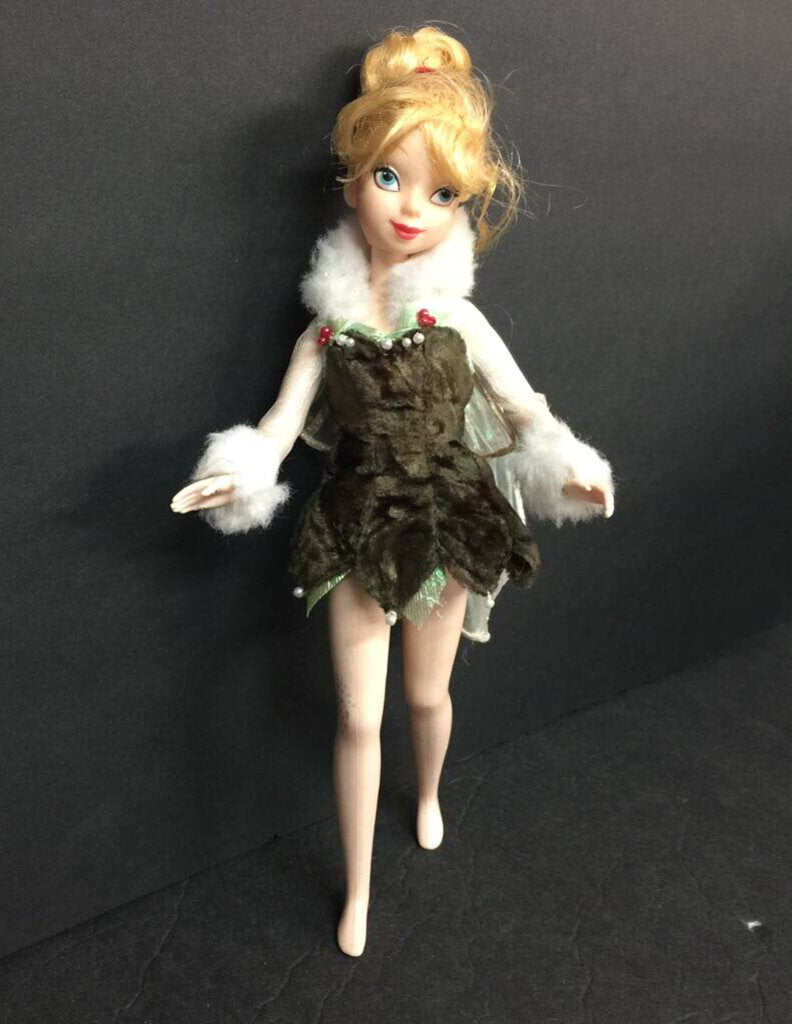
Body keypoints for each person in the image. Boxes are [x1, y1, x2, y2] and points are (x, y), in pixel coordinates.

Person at [170, 25, 615, 957]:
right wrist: (235, 477)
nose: (413, 208)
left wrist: (568, 465)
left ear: (465, 206)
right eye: (389, 178)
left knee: (425, 698)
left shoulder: (459, 321)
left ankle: (433, 792)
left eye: (443, 193)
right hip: (353, 521)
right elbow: (278, 430)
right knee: (358, 715)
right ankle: (360, 889)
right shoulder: (326, 333)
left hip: (449, 521)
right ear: (352, 181)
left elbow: (526, 411)